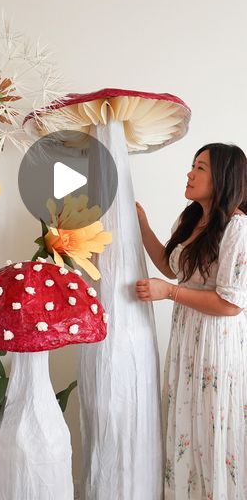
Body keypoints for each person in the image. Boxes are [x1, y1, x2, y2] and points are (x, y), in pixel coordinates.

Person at [135, 142, 247, 500]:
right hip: (187, 338)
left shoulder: (238, 229)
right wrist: (142, 226)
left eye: (200, 168)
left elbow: (230, 304)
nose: (190, 173)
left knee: (211, 424)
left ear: (223, 178)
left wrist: (168, 293)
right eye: (192, 165)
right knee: (185, 421)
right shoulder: (189, 220)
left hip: (217, 341)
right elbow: (172, 268)